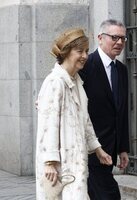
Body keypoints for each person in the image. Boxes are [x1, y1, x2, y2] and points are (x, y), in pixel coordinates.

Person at [35, 28, 112, 200]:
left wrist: (98, 150)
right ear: (66, 53)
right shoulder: (55, 82)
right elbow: (48, 124)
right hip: (59, 166)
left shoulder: (76, 82)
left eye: (86, 51)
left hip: (75, 163)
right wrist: (49, 162)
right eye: (80, 51)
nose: (85, 55)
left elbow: (85, 121)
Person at [79, 19, 130, 200]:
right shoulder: (85, 65)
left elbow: (121, 112)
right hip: (91, 150)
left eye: (123, 39)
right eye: (114, 37)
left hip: (110, 149)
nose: (119, 43)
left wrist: (123, 148)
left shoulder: (121, 70)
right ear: (100, 38)